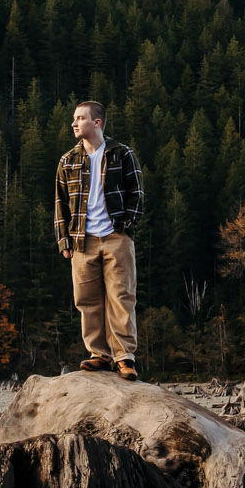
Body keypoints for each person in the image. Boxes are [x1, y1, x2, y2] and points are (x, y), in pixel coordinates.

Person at [54, 100, 145, 379]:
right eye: (74, 118)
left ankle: (124, 357)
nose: (74, 123)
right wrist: (64, 241)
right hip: (82, 240)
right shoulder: (68, 160)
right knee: (86, 300)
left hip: (115, 236)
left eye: (80, 118)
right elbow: (60, 203)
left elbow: (137, 193)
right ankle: (99, 355)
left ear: (97, 123)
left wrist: (125, 227)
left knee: (121, 297)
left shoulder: (121, 153)